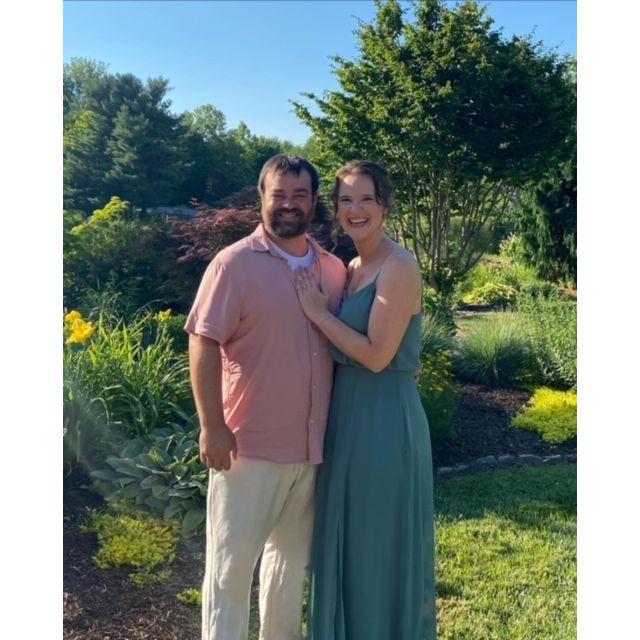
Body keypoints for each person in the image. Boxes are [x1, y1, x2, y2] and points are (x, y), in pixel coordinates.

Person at [185, 154, 347, 640]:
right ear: (262, 197)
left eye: (300, 195)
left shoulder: (333, 270)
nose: (289, 204)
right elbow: (203, 341)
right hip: (248, 449)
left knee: (288, 572)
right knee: (230, 574)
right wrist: (212, 425)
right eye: (279, 194)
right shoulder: (233, 264)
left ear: (314, 202)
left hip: (312, 452)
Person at [294, 160, 437, 639]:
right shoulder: (353, 267)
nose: (355, 210)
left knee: (376, 547)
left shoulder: (399, 266)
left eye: (366, 199)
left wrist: (318, 314)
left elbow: (377, 356)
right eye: (346, 200)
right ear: (336, 210)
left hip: (385, 425)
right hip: (347, 419)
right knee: (348, 543)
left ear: (385, 205)